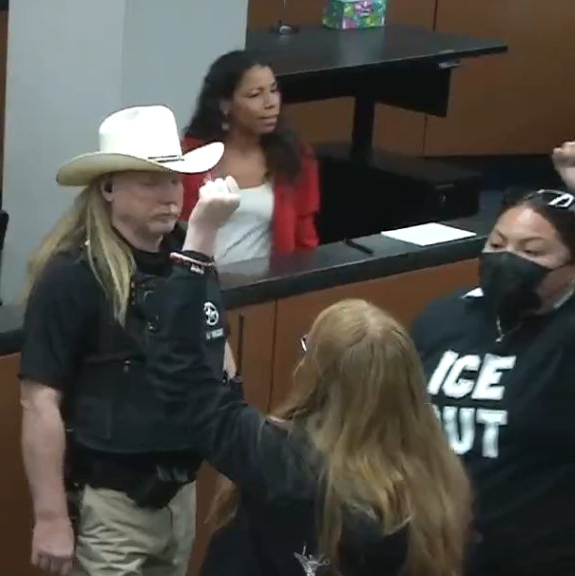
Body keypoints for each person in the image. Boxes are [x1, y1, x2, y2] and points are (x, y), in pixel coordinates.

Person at [146, 181, 472, 576]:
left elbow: (184, 380)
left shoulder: (284, 462)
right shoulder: (434, 477)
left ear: (318, 375)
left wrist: (197, 246)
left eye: (308, 349)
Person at [19, 104, 233, 576]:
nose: (170, 196)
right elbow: (39, 404)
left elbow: (220, 364)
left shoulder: (189, 258)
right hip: (111, 504)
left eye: (174, 181)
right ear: (108, 188)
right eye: (150, 182)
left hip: (179, 494)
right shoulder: (72, 276)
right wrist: (51, 516)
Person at [411, 188, 575, 576]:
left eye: (532, 252)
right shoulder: (444, 315)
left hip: (537, 556)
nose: (507, 259)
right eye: (497, 243)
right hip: (435, 551)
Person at [181, 50, 319, 265]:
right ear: (224, 104)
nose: (270, 102)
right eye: (255, 94)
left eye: (273, 90)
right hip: (202, 288)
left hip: (267, 290)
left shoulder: (295, 157)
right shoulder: (190, 159)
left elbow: (305, 240)